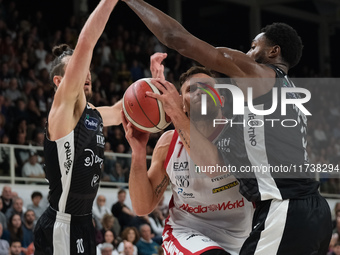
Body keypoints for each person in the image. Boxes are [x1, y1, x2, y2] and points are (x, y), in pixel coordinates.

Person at [121, 1, 333, 253]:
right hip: (314, 211)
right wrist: (160, 90)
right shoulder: (285, 96)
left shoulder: (261, 77)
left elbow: (177, 39)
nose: (248, 54)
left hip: (284, 209)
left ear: (274, 52)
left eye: (254, 47)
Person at [122, 55, 253, 254]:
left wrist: (175, 114)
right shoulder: (168, 144)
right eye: (191, 90)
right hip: (187, 231)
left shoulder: (242, 133)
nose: (200, 91)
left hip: (242, 237)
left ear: (222, 100)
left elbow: (212, 167)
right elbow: (142, 207)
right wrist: (138, 152)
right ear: (181, 103)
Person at [33, 0, 122, 254]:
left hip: (83, 222)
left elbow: (121, 111)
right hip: (63, 223)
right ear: (59, 81)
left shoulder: (93, 114)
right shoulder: (61, 112)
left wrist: (153, 84)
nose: (86, 72)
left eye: (86, 67)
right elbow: (86, 43)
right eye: (78, 67)